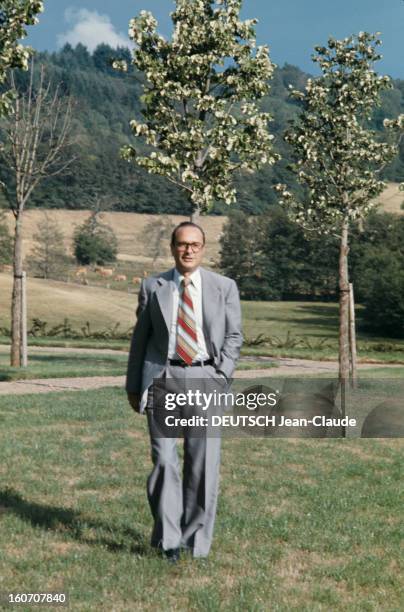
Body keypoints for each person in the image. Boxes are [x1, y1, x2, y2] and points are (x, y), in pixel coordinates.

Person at [126, 221, 243, 562]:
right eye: (182, 244)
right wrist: (134, 385)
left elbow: (235, 336)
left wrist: (221, 374)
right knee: (164, 461)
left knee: (201, 465)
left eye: (195, 244)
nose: (188, 250)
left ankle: (195, 543)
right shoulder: (154, 287)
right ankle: (168, 542)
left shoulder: (225, 287)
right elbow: (140, 340)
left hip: (207, 377)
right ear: (173, 247)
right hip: (164, 378)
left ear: (203, 249)